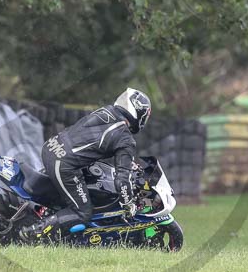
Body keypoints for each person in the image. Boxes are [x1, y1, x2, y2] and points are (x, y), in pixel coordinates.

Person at [19, 88, 152, 242]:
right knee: (82, 212)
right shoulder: (125, 139)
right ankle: (33, 233)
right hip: (64, 164)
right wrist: (128, 203)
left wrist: (127, 163)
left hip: (51, 146)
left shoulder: (106, 112)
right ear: (139, 114)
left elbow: (94, 145)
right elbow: (122, 180)